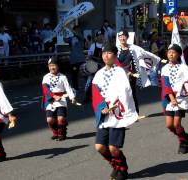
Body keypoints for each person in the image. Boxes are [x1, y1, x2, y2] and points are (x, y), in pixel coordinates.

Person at [92, 42, 138, 180]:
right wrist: (102, 107)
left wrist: (115, 105)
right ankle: (117, 166)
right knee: (100, 147)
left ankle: (121, 169)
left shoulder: (120, 71)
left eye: (109, 53)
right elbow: (95, 94)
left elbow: (125, 91)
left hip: (117, 113)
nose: (106, 55)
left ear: (115, 55)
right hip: (104, 114)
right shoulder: (99, 74)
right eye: (104, 53)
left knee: (113, 148)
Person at [161, 44, 188, 154]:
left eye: (173, 52)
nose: (171, 54)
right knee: (169, 125)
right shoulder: (164, 69)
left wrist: (185, 91)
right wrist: (171, 98)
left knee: (176, 124)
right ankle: (186, 137)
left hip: (180, 99)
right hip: (168, 99)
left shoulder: (184, 68)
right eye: (169, 52)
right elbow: (166, 85)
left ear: (178, 55)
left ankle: (183, 142)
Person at [117, 29, 160, 116]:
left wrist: (156, 59)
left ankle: (135, 113)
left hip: (132, 74)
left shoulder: (133, 48)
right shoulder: (116, 49)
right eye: (120, 36)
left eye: (124, 36)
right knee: (121, 94)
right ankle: (124, 112)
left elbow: (144, 53)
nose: (122, 38)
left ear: (127, 37)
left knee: (131, 93)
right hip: (120, 75)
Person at [42, 56, 76, 141]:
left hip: (61, 99)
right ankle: (55, 132)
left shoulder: (63, 77)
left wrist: (72, 97)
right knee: (50, 120)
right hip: (50, 100)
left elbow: (68, 88)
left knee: (60, 118)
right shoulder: (45, 77)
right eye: (50, 66)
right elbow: (45, 89)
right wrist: (53, 96)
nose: (52, 67)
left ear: (58, 66)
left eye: (54, 65)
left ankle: (62, 133)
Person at [66, 25, 86, 90]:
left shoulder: (81, 37)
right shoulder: (71, 38)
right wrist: (64, 30)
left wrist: (70, 29)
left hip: (81, 59)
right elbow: (65, 39)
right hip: (73, 60)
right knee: (74, 75)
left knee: (84, 74)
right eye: (76, 29)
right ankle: (75, 88)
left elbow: (78, 35)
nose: (78, 31)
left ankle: (85, 87)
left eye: (78, 29)